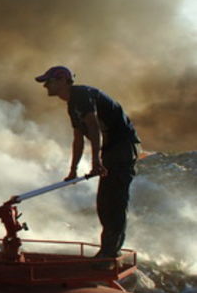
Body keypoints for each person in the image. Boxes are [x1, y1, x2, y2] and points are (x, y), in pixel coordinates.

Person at [35, 66, 140, 259]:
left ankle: (109, 254)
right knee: (103, 203)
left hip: (122, 148)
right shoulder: (72, 105)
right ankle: (107, 250)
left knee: (113, 201)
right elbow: (78, 138)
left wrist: (96, 162)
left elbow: (93, 127)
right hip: (111, 151)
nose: (45, 86)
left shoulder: (82, 95)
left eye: (48, 81)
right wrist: (73, 170)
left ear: (62, 81)